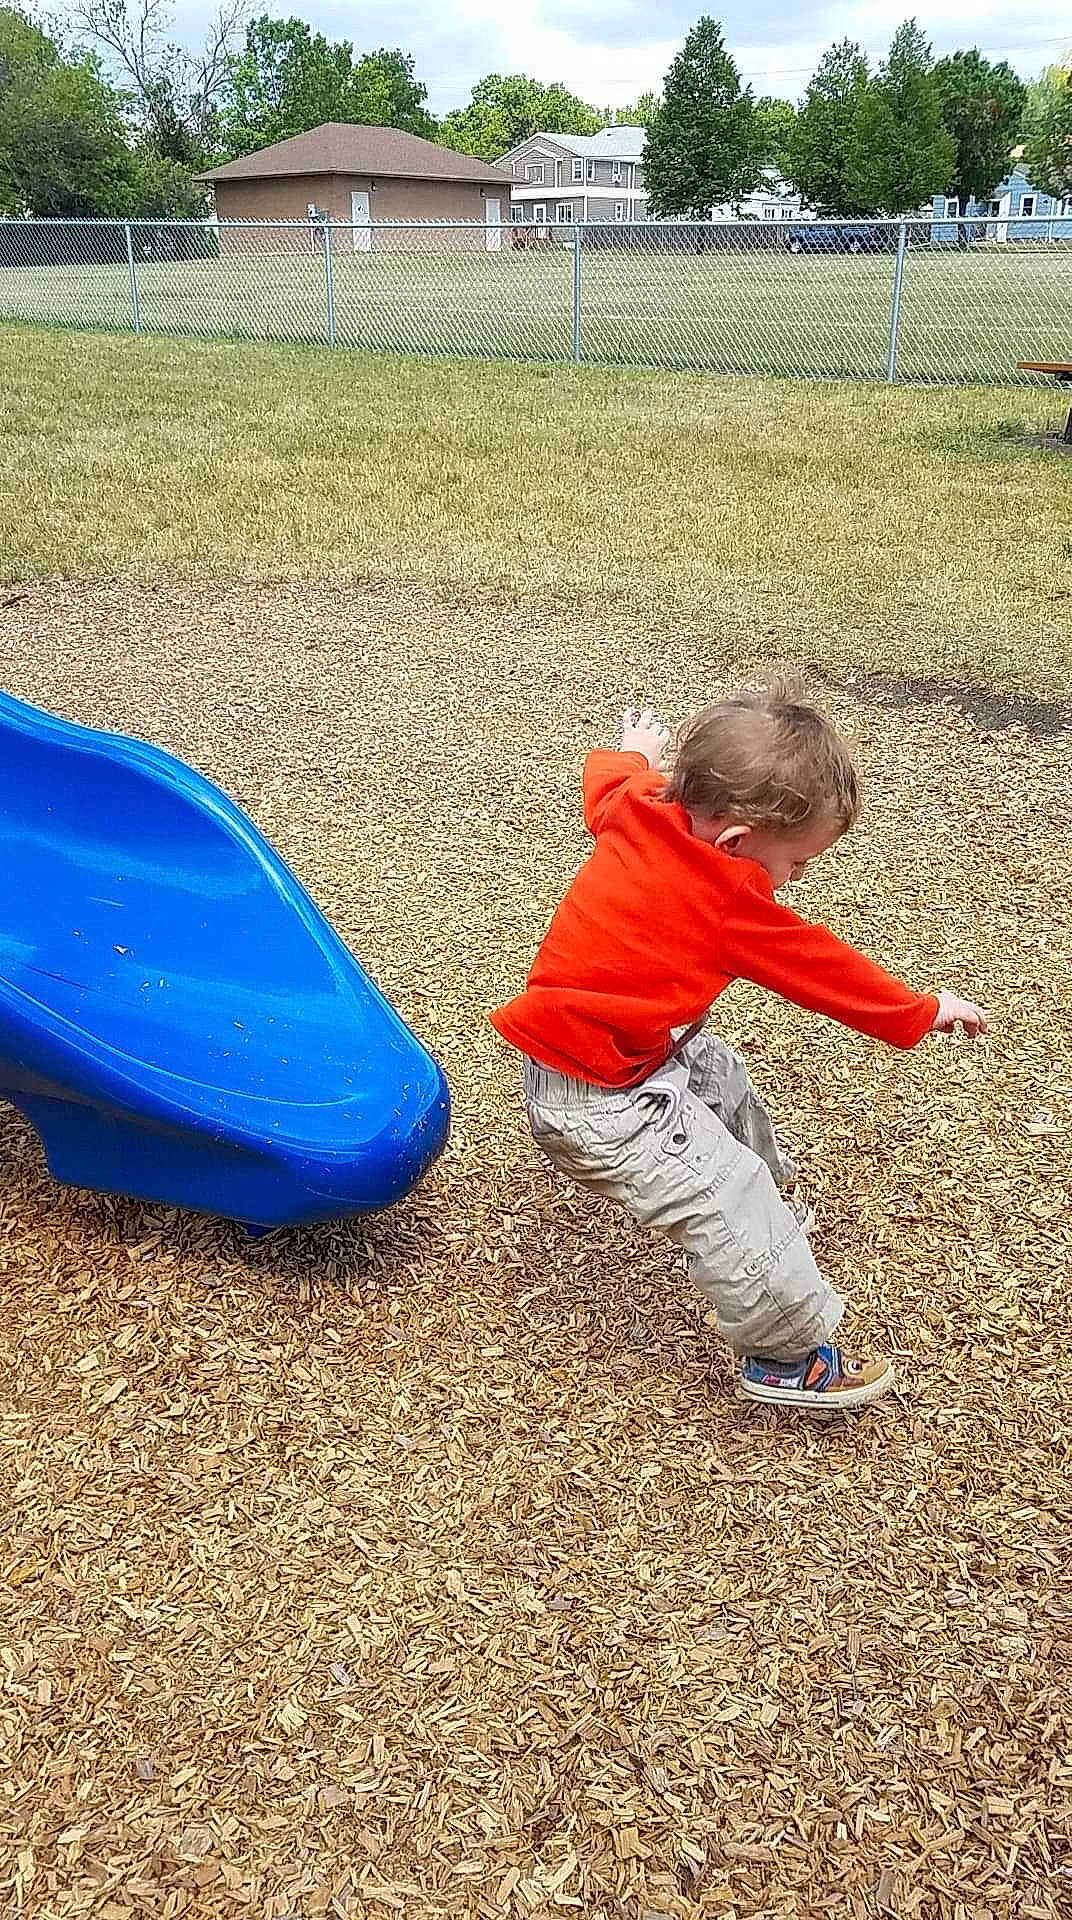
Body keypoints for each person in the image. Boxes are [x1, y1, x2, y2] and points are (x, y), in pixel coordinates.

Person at [490, 683, 987, 1410]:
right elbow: (822, 968)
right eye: (796, 864)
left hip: (617, 1056)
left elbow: (607, 781)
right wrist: (920, 1009)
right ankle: (786, 1354)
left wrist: (635, 752)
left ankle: (771, 1229)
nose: (793, 881)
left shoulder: (642, 809)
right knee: (726, 1191)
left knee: (719, 1075)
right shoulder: (725, 894)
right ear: (733, 842)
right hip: (598, 1106)